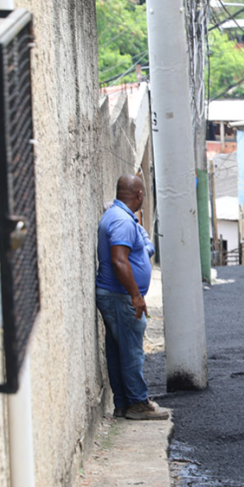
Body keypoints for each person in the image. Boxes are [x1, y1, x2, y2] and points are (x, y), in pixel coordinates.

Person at [96, 174, 170, 420]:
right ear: (139, 195)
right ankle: (138, 403)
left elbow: (139, 248)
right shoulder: (123, 221)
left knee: (119, 350)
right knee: (132, 352)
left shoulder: (117, 217)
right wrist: (136, 296)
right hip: (120, 297)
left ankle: (123, 404)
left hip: (114, 295)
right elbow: (119, 260)